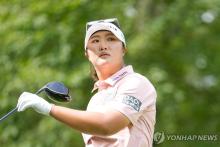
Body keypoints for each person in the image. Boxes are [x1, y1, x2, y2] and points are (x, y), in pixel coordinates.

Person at [17, 18, 157, 147]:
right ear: (87, 53)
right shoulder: (95, 100)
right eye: (95, 41)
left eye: (111, 39)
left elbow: (107, 124)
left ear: (123, 49)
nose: (103, 46)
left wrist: (50, 109)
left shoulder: (136, 83)